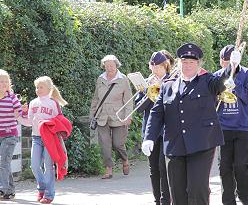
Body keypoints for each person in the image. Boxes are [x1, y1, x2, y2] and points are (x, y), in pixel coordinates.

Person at [142, 42, 239, 205]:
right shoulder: (167, 86)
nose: (187, 66)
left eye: (191, 63)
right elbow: (157, 113)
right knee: (177, 192)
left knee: (197, 189)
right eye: (184, 62)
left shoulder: (208, 81)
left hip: (202, 145)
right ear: (179, 64)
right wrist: (149, 137)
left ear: (198, 64)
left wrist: (233, 66)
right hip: (174, 146)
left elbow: (222, 82)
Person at [214, 45, 248, 205]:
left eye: (229, 62)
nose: (226, 65)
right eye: (224, 61)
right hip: (223, 126)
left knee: (240, 165)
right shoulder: (217, 76)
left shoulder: (246, 74)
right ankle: (228, 200)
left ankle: (244, 197)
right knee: (224, 166)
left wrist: (235, 85)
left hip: (242, 126)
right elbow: (212, 100)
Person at [19, 76, 68, 204]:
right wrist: (19, 116)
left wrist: (49, 123)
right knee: (34, 166)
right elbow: (29, 121)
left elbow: (60, 121)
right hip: (36, 138)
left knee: (48, 166)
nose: (38, 89)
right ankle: (42, 187)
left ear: (49, 89)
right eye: (37, 87)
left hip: (50, 138)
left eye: (41, 87)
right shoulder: (33, 103)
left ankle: (49, 194)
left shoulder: (53, 103)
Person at [135, 51, 171, 204]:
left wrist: (162, 88)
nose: (154, 70)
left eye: (158, 67)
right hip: (150, 131)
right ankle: (157, 199)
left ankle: (165, 199)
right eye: (152, 67)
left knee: (164, 168)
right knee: (154, 169)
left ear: (165, 66)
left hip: (167, 130)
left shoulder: (172, 80)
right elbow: (139, 108)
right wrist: (148, 92)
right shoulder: (146, 82)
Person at [89, 55, 133, 179]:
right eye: (107, 66)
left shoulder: (123, 79)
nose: (109, 68)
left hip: (119, 115)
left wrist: (128, 116)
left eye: (111, 65)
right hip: (102, 115)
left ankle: (125, 159)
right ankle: (108, 169)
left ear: (116, 65)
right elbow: (96, 98)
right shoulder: (100, 78)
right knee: (105, 144)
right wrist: (92, 114)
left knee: (118, 144)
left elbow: (128, 99)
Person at [0, 70, 24, 200]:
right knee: (5, 163)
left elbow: (18, 114)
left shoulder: (12, 98)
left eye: (6, 82)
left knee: (3, 162)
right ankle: (9, 190)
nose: (3, 84)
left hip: (9, 135)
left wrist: (20, 111)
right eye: (1, 82)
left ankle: (3, 189)